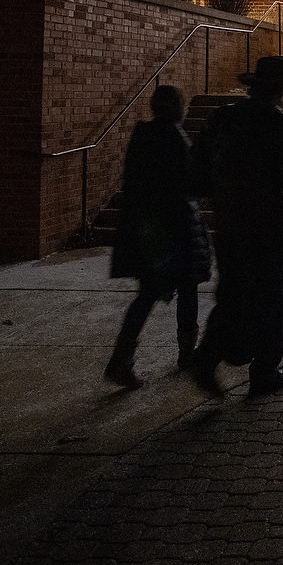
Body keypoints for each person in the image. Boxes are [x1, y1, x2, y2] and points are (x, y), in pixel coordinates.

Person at [186, 55, 283, 398]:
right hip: (267, 225)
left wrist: (220, 196)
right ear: (281, 91)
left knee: (234, 294)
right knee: (273, 296)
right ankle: (264, 370)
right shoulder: (279, 123)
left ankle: (207, 358)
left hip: (230, 223)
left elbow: (197, 169)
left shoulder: (222, 118)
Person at [105, 85, 212, 389]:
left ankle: (121, 359)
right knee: (187, 288)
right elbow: (191, 183)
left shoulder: (142, 137)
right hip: (176, 230)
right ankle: (186, 353)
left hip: (148, 231)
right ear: (178, 108)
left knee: (148, 294)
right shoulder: (175, 138)